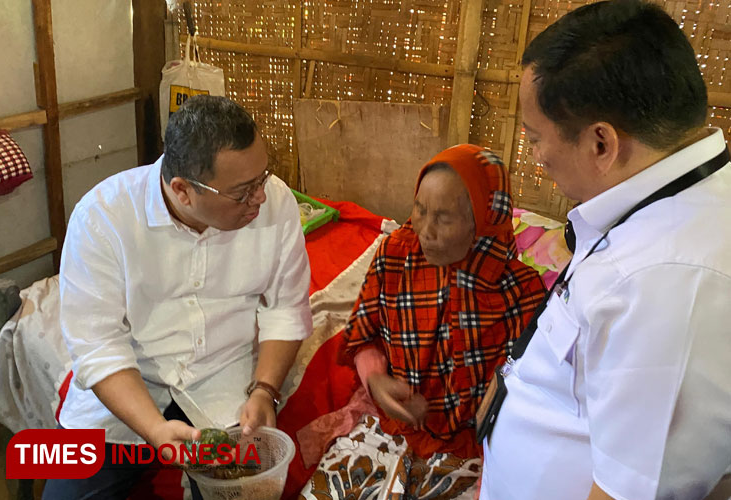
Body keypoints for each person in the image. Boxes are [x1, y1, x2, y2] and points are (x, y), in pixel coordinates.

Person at [479, 1, 731, 499]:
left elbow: (631, 491)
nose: (535, 158)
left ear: (601, 144)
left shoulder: (669, 280)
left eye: (534, 138)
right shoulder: (662, 203)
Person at [43, 95, 312, 499]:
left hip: (224, 383)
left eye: (264, 178)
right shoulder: (102, 218)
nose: (261, 197)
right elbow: (98, 346)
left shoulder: (276, 203)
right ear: (183, 191)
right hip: (128, 389)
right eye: (243, 191)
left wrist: (264, 390)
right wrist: (153, 429)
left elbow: (286, 309)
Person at [299, 144, 546, 499]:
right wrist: (376, 380)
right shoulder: (396, 255)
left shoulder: (520, 291)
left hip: (471, 444)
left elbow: (521, 391)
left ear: (483, 218)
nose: (425, 229)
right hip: (390, 424)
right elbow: (364, 335)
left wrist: (466, 414)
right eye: (420, 209)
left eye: (444, 217)